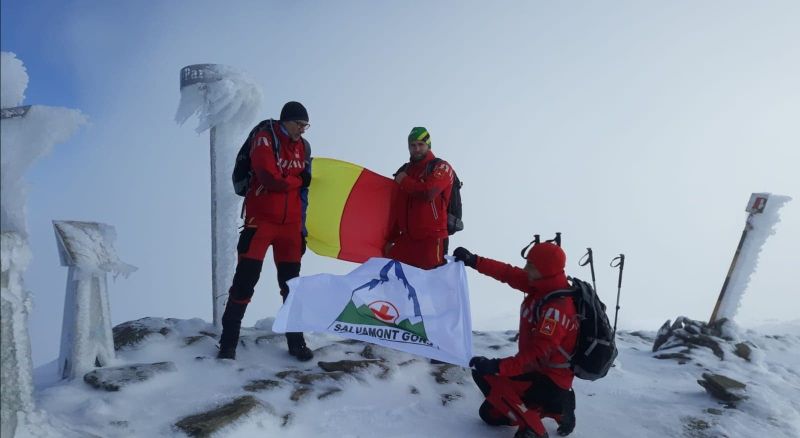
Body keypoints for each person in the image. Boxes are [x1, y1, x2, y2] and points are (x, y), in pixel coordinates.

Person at [217, 101, 314, 362]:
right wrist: (296, 180)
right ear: (286, 121)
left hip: (291, 227)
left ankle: (296, 343)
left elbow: (304, 192)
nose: (302, 130)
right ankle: (228, 344)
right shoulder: (264, 138)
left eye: (306, 126)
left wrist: (302, 228)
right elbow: (269, 177)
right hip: (260, 223)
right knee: (244, 282)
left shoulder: (304, 147)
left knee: (292, 287)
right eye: (299, 124)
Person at [453, 242, 578, 438]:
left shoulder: (556, 310)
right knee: (489, 414)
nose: (525, 269)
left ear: (545, 269)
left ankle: (535, 429)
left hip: (550, 380)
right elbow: (507, 273)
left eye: (531, 265)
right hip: (541, 373)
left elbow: (536, 355)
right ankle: (557, 410)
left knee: (485, 373)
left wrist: (498, 366)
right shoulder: (541, 285)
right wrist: (474, 260)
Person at [384, 127, 455, 270]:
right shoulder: (404, 171)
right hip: (406, 241)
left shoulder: (441, 167)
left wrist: (404, 181)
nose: (416, 149)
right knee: (390, 279)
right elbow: (397, 207)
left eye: (421, 144)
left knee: (431, 282)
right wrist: (391, 238)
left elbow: (428, 192)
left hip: (432, 240)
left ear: (428, 145)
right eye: (413, 145)